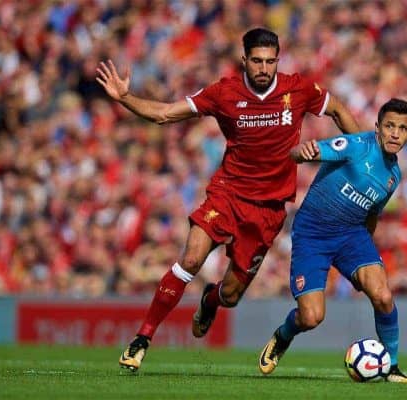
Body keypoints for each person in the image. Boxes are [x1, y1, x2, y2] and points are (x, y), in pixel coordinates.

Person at [95, 28, 360, 371]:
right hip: (228, 194)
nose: (264, 68)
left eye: (270, 62)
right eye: (257, 61)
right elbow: (164, 114)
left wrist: (362, 151)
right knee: (191, 259)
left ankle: (209, 300)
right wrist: (125, 98)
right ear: (244, 61)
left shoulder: (298, 89)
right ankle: (142, 339)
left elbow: (337, 108)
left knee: (231, 296)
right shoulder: (224, 93)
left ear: (277, 61)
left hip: (268, 209)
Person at [258, 98, 407, 383]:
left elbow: (371, 215)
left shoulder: (394, 176)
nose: (395, 133)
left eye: (402, 129)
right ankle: (283, 335)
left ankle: (392, 367)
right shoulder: (357, 145)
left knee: (382, 296)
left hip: (352, 236)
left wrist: (360, 261)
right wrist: (302, 152)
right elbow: (301, 152)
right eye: (390, 126)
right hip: (313, 234)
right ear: (378, 128)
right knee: (311, 317)